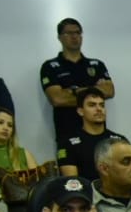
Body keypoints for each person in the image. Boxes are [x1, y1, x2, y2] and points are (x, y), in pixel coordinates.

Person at [40, 18, 116, 154]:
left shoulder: (96, 64)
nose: (74, 37)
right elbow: (57, 99)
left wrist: (72, 91)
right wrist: (93, 90)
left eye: (78, 33)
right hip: (67, 133)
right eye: (69, 33)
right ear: (59, 37)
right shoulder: (50, 66)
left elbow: (109, 91)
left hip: (98, 134)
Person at [55, 87, 110, 178]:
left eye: (102, 105)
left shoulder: (118, 140)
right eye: (92, 105)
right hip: (85, 191)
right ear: (80, 111)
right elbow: (73, 182)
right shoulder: (67, 143)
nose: (99, 109)